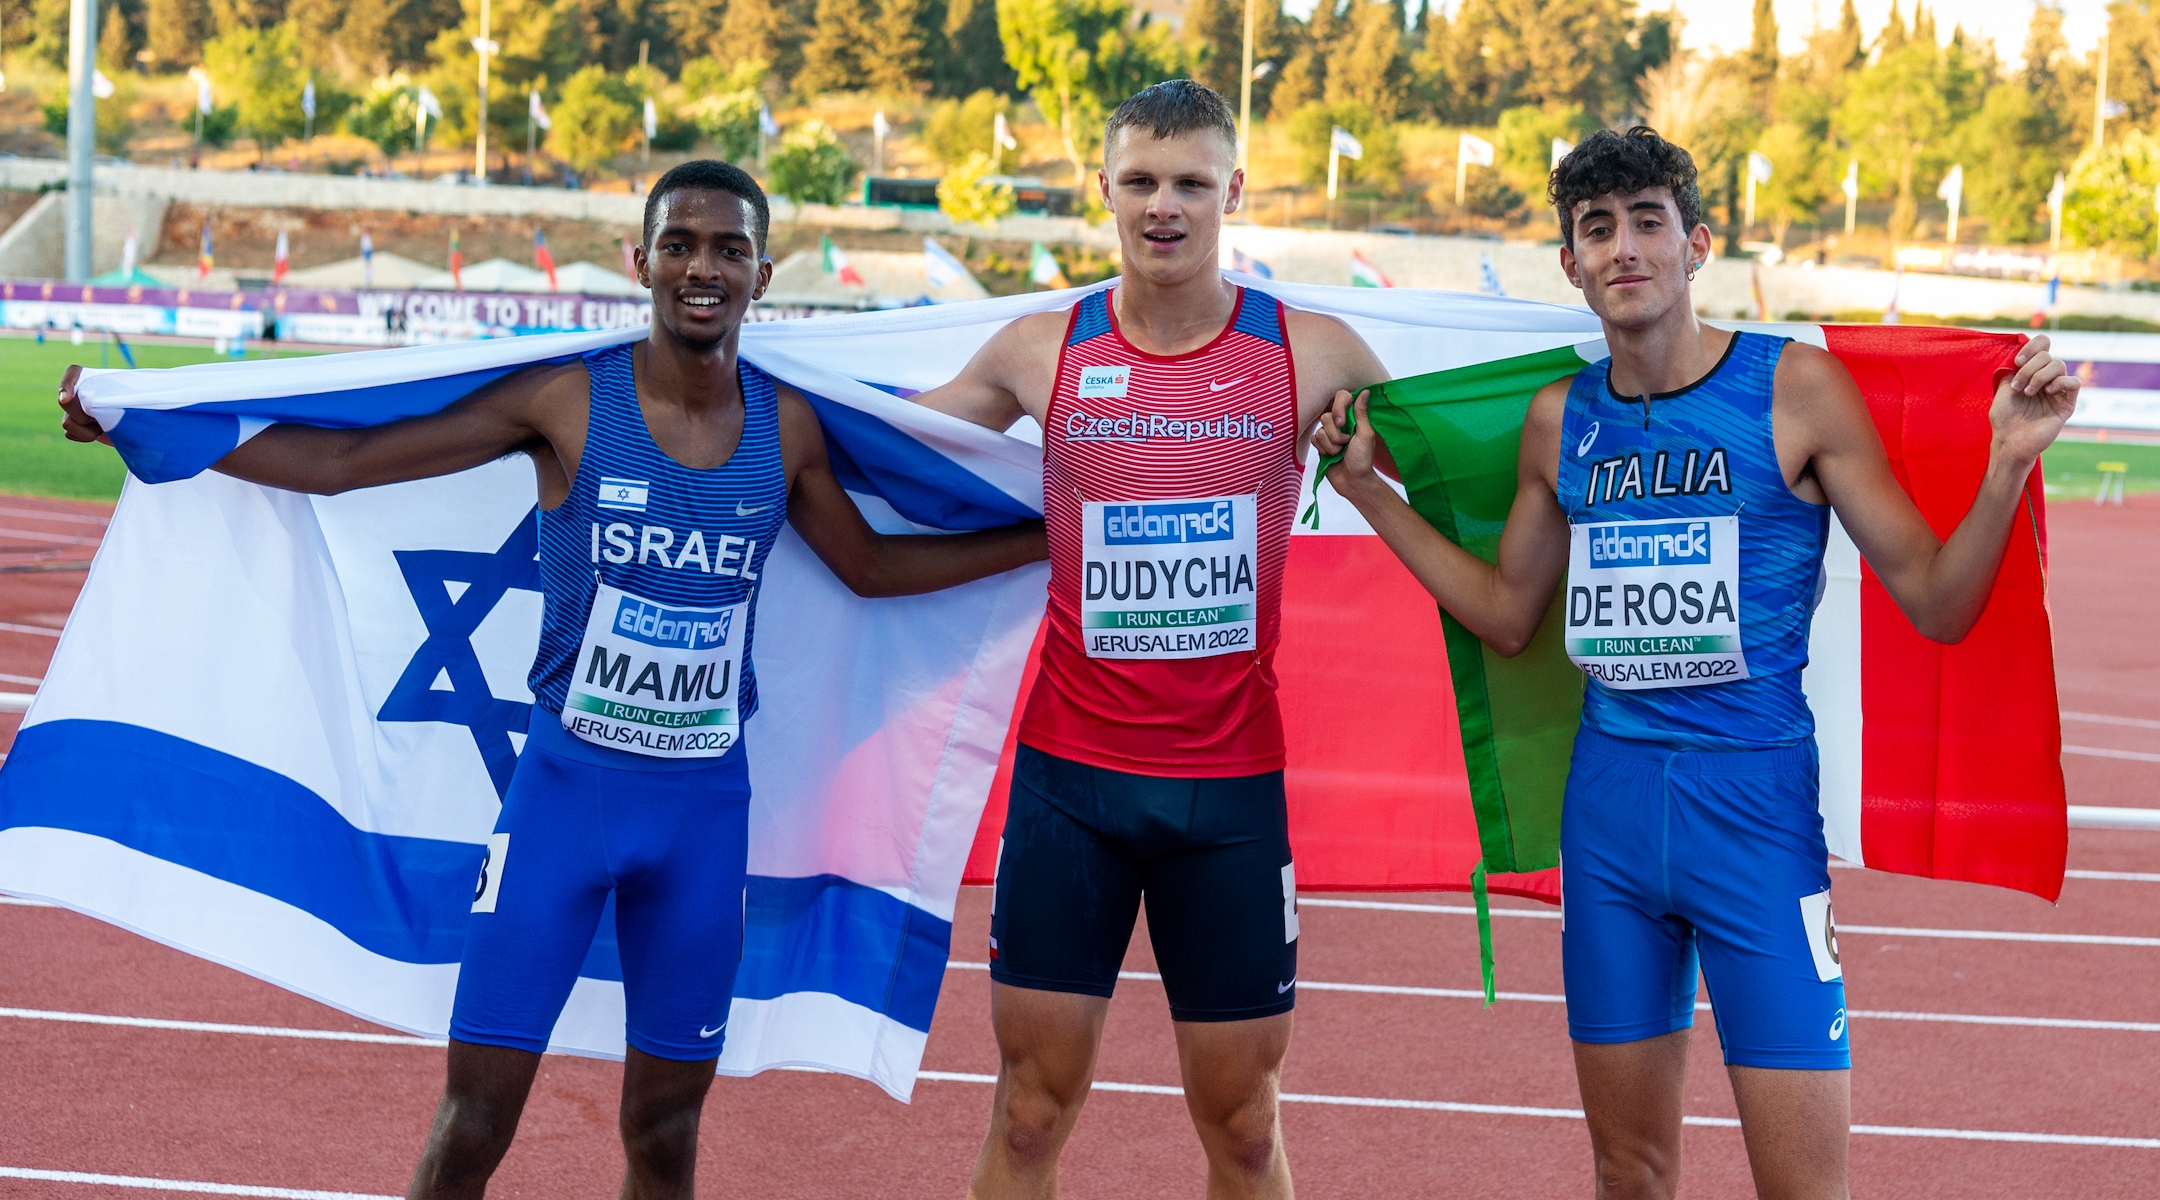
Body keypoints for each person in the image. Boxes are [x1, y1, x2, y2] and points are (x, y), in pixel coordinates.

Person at [59, 159, 1046, 1200]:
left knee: (665, 1131)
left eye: (726, 249)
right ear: (641, 262)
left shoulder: (788, 427)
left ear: (764, 273)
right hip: (561, 802)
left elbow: (874, 566)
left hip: (704, 817)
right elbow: (353, 462)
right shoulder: (569, 403)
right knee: (477, 1117)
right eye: (680, 245)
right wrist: (156, 427)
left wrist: (1045, 538)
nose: (701, 268)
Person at [1315, 127, 2079, 1200]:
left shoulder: (1796, 391)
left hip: (1756, 822)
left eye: (1646, 221)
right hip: (1612, 821)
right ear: (1571, 265)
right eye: (1596, 229)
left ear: (1696, 242)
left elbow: (1939, 606)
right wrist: (1366, 495)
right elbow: (1502, 614)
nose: (1623, 246)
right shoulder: (1558, 422)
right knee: (1628, 1173)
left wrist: (2005, 463)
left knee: (1803, 1189)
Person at [908, 80, 1388, 1200]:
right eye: (1139, 182)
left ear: (1233, 190)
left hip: (1228, 796)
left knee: (1244, 1128)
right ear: (1106, 191)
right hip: (1070, 786)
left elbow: (1457, 480)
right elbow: (891, 454)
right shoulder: (1042, 349)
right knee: (1028, 1113)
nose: (1162, 206)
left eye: (1187, 183)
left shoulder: (1311, 352)